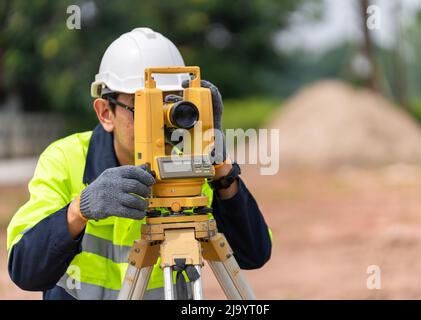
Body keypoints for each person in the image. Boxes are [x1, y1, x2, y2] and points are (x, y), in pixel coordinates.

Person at [6, 27, 272, 300]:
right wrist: (79, 210)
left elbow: (253, 254)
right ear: (105, 112)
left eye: (173, 104)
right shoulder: (65, 159)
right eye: (144, 106)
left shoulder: (189, 171)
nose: (164, 120)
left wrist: (222, 172)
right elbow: (26, 271)